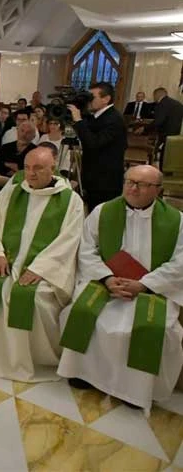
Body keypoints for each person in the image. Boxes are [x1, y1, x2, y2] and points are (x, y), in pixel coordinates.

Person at [0, 147, 85, 381]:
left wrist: (39, 268)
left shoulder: (70, 200)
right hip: (7, 260)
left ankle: (30, 358)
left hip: (45, 269)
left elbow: (69, 240)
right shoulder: (12, 192)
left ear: (52, 168)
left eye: (38, 168)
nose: (31, 174)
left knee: (34, 296)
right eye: (27, 167)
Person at [57, 165, 183, 410]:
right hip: (107, 284)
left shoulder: (177, 221)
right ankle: (83, 374)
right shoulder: (103, 212)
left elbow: (180, 263)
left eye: (142, 184)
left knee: (149, 328)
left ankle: (134, 391)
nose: (133, 188)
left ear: (158, 190)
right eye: (129, 181)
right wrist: (106, 278)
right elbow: (86, 249)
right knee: (82, 313)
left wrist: (144, 284)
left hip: (151, 290)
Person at [69, 81, 127, 210]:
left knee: (103, 217)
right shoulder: (97, 116)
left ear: (106, 99)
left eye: (92, 97)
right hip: (93, 178)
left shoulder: (114, 119)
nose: (89, 101)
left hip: (105, 182)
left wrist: (78, 121)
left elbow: (93, 143)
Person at [149, 87, 183, 168]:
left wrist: (145, 129)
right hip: (177, 136)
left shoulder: (162, 104)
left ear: (157, 95)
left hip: (166, 135)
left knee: (164, 158)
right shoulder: (177, 104)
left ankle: (161, 173)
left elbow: (158, 121)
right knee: (171, 158)